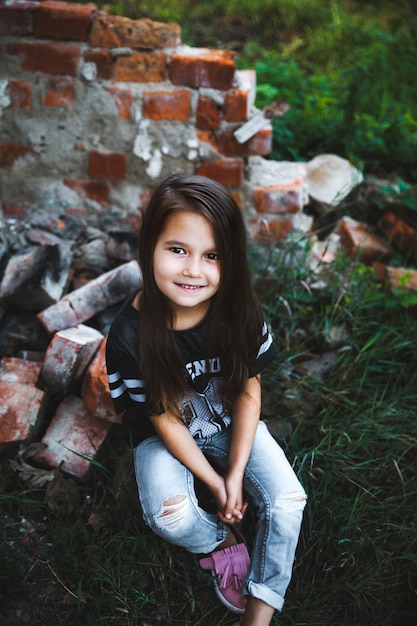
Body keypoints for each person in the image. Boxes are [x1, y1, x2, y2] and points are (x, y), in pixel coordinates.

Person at [106, 173, 307, 626]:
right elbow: (164, 418)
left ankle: (260, 609)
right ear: (149, 247)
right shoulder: (129, 335)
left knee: (289, 499)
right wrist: (215, 487)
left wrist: (235, 473)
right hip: (166, 433)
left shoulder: (239, 312)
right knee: (169, 515)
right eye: (177, 250)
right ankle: (221, 542)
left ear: (230, 260)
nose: (193, 270)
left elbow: (248, 391)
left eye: (212, 256)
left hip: (232, 419)